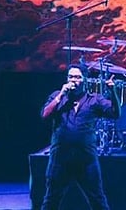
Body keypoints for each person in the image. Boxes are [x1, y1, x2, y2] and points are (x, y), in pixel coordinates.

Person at [40, 64, 121, 210]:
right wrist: (61, 95)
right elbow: (45, 115)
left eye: (77, 77)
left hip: (86, 159)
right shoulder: (58, 96)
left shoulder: (94, 99)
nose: (73, 80)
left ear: (85, 80)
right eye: (71, 77)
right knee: (51, 199)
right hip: (60, 158)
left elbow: (115, 113)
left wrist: (112, 91)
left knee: (98, 199)